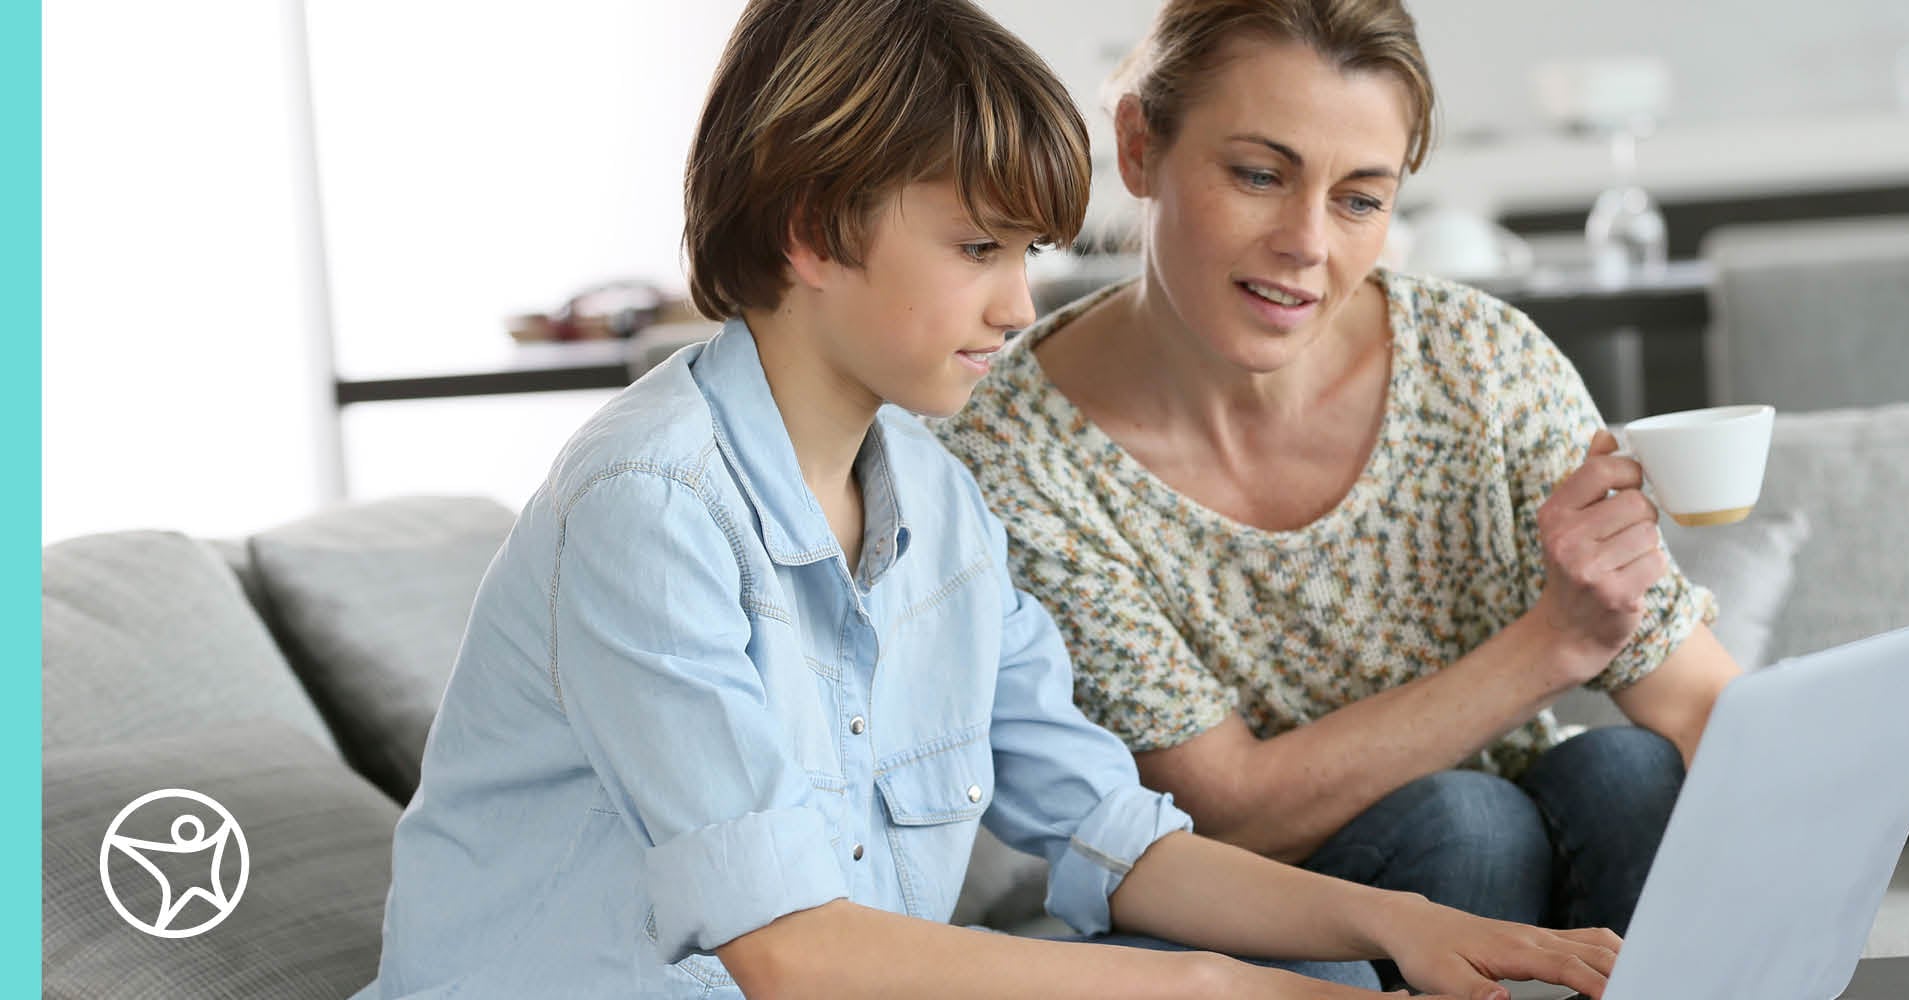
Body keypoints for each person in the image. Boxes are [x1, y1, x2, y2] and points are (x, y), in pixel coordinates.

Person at [355, 1, 1621, 998]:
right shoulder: (651, 504)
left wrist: (1409, 922)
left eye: (1024, 255)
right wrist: (1201, 984)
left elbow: (1113, 836)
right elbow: (792, 955)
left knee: (1329, 961)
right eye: (977, 251)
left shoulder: (941, 513)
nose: (1020, 308)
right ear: (810, 227)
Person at [933, 0, 1744, 957]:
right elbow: (1222, 811)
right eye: (1259, 175)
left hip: (1529, 864)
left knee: (1626, 774)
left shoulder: (1479, 368)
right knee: (1468, 824)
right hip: (1262, 914)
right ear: (1140, 145)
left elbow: (1694, 702)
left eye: (1360, 197)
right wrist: (1553, 645)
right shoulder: (1020, 457)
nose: (1308, 243)